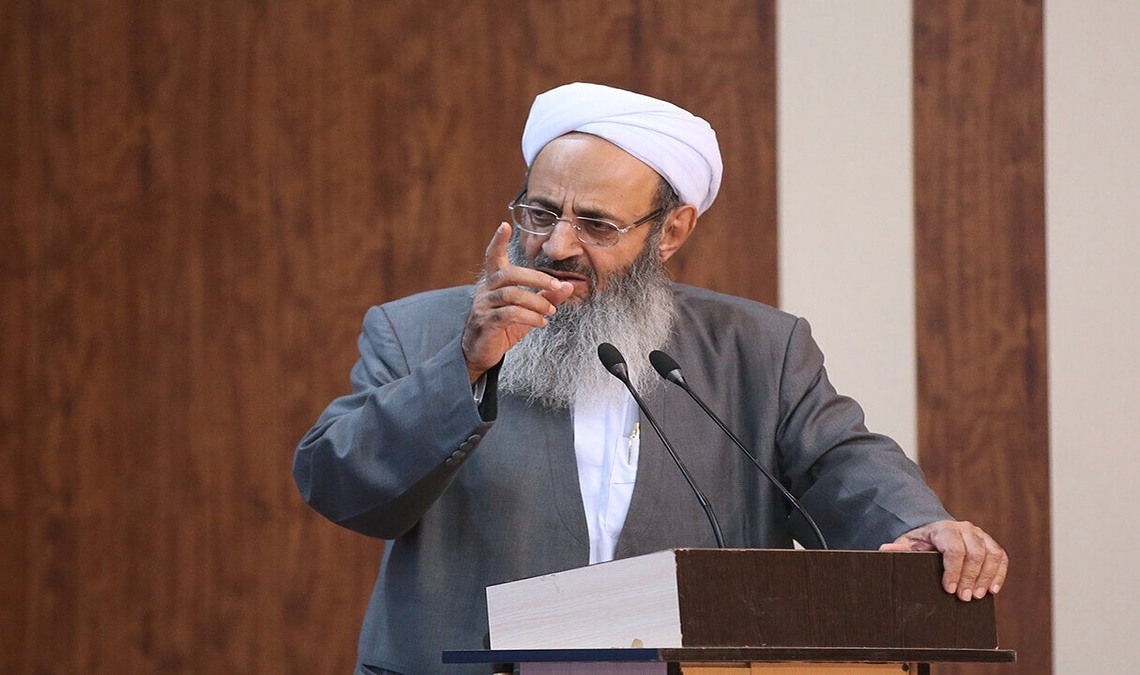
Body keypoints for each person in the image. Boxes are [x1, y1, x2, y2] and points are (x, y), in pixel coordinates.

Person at [293, 82, 1008, 675]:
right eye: (541, 212)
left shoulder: (758, 349)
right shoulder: (418, 331)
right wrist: (465, 364)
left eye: (596, 225)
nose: (557, 245)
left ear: (670, 231)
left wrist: (918, 527)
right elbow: (339, 485)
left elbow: (839, 461)